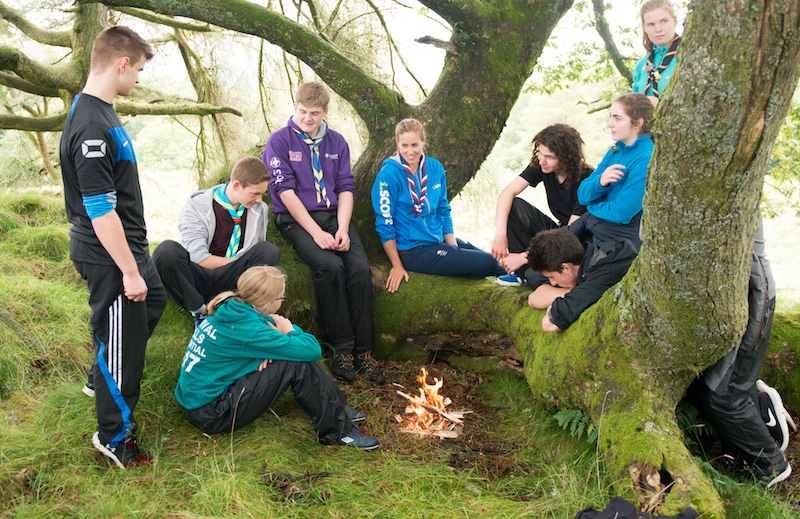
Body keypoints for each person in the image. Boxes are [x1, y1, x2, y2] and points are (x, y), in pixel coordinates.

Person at [59, 26, 167, 468]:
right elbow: (101, 211)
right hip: (110, 254)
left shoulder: (102, 110)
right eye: (138, 70)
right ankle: (115, 437)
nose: (138, 78)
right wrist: (129, 270)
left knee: (153, 302)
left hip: (130, 247)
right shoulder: (90, 125)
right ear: (122, 63)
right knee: (123, 348)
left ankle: (100, 372)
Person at [174, 266, 379, 450]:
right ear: (267, 303)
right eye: (282, 297)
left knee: (290, 354)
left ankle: (337, 407)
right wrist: (288, 331)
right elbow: (311, 350)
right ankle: (338, 433)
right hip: (214, 413)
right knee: (295, 363)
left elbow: (275, 334)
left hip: (202, 401)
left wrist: (276, 343)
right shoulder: (251, 329)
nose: (283, 300)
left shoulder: (235, 309)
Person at [262, 81, 384, 385]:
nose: (307, 118)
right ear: (295, 108)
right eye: (302, 111)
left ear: (325, 111)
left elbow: (345, 187)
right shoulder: (279, 142)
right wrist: (317, 233)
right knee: (329, 267)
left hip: (335, 216)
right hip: (295, 218)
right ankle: (341, 349)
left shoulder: (338, 143)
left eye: (314, 113)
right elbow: (285, 192)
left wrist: (343, 228)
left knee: (358, 270)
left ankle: (364, 352)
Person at [695, 219, 793, 487]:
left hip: (754, 301)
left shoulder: (733, 191)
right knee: (721, 387)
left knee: (723, 395)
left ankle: (771, 465)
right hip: (741, 301)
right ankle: (763, 411)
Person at [371, 118, 505, 293]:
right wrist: (397, 265)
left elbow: (443, 210)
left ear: (423, 142)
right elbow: (384, 224)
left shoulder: (435, 168)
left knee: (495, 260)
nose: (410, 151)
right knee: (489, 263)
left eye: (414, 145)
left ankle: (529, 279)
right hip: (413, 251)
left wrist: (453, 248)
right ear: (397, 143)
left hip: (439, 241)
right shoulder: (388, 175)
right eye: (404, 146)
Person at [153, 156, 281, 327]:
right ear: (236, 185)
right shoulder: (196, 205)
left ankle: (243, 311)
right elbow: (198, 257)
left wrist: (241, 267)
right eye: (255, 194)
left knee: (268, 251)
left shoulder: (259, 209)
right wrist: (238, 263)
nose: (259, 199)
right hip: (199, 277)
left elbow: (257, 258)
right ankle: (200, 312)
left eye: (262, 194)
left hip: (235, 280)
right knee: (165, 251)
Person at [491, 124, 593, 287]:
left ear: (566, 158)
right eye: (540, 153)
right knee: (514, 205)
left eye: (550, 157)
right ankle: (521, 274)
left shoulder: (586, 179)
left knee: (535, 276)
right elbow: (507, 194)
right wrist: (500, 235)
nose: (542, 161)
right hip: (558, 232)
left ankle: (530, 271)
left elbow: (571, 235)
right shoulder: (543, 166)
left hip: (576, 242)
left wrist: (525, 256)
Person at [575, 93, 654, 249]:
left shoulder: (646, 157)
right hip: (598, 230)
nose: (610, 124)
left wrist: (593, 208)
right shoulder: (615, 152)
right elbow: (582, 196)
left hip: (621, 242)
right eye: (610, 117)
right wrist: (599, 183)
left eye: (617, 118)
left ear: (638, 123)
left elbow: (621, 214)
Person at [526, 229, 637, 331]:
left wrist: (573, 293)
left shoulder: (604, 273)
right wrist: (568, 292)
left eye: (552, 277)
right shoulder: (588, 259)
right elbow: (533, 298)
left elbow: (549, 323)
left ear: (566, 268)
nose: (552, 283)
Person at [631, 0, 681, 106]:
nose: (658, 29)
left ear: (675, 21)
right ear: (644, 28)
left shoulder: (687, 58)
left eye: (664, 21)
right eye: (651, 24)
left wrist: (660, 106)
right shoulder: (641, 66)